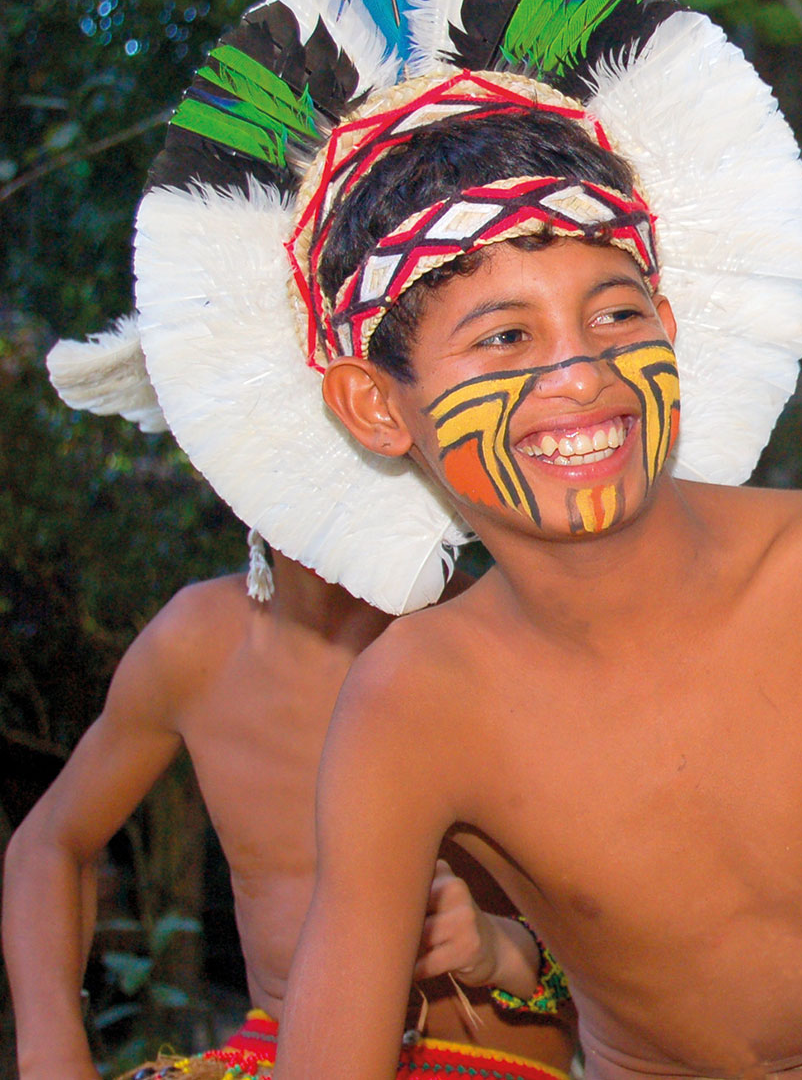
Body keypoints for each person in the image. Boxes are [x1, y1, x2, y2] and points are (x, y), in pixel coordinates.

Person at [109, 0, 802, 1075]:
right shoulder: (414, 703)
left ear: (671, 318)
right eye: (501, 340)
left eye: (612, 309)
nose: (581, 375)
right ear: (380, 406)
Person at [6, 329, 578, 1080]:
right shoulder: (196, 644)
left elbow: (632, 908)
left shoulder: (499, 641)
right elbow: (50, 842)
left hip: (481, 1058)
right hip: (271, 1054)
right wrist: (53, 1050)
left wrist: (497, 946)